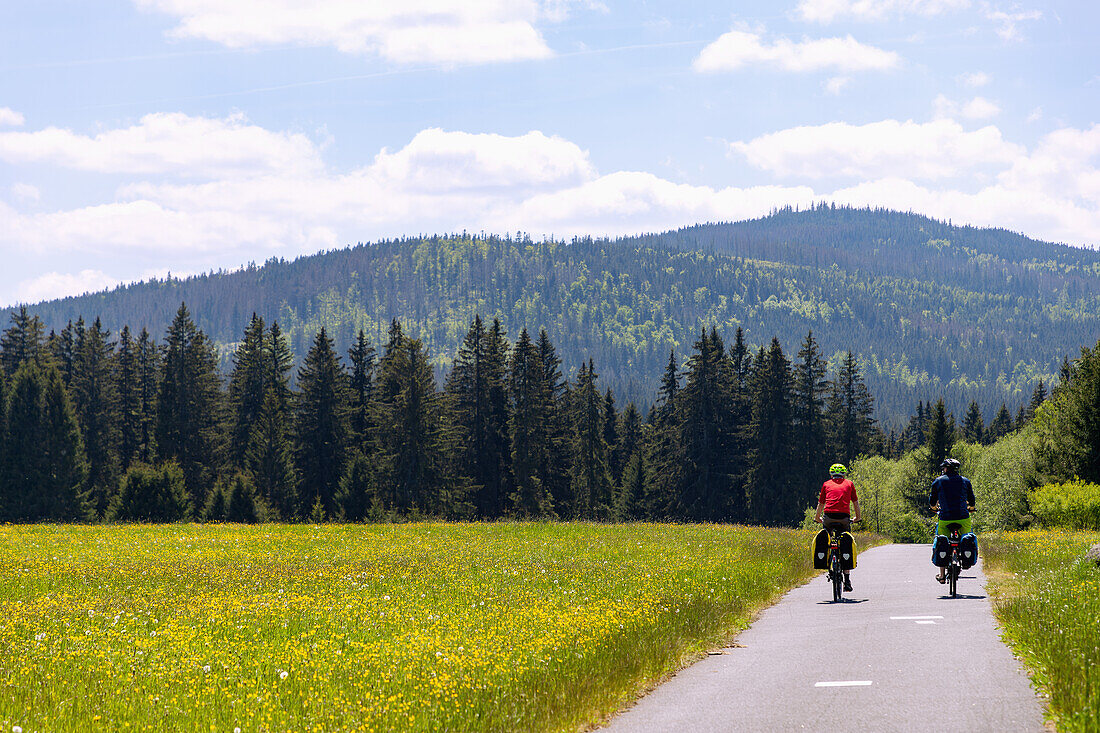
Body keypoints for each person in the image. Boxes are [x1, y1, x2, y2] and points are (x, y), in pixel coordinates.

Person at [814, 463, 861, 592]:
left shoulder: (826, 484)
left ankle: (828, 559)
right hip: (844, 518)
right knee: (846, 542)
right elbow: (855, 503)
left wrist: (818, 518)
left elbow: (821, 503)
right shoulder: (849, 484)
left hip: (828, 517)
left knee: (827, 537)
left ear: (831, 474)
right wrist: (857, 518)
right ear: (844, 474)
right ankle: (847, 580)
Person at [929, 458, 976, 584]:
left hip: (945, 517)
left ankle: (942, 575)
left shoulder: (938, 481)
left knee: (941, 539)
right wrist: (971, 508)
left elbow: (932, 500)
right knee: (966, 536)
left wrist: (934, 508)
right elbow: (971, 499)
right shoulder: (965, 481)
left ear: (945, 469)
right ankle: (965, 559)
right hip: (963, 518)